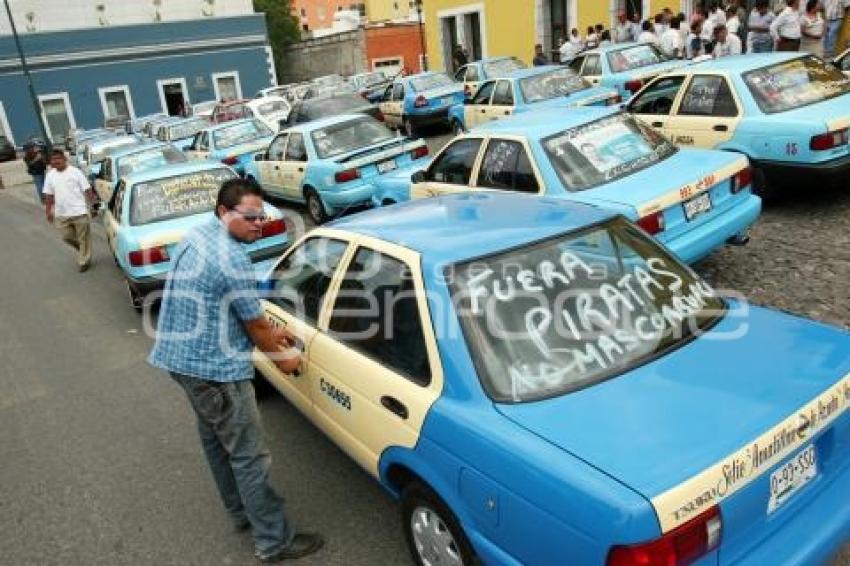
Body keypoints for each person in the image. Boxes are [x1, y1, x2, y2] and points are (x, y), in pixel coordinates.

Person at [148, 177, 324, 563]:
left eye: (262, 216)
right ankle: (273, 541)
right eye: (250, 218)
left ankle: (241, 514)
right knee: (248, 455)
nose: (258, 224)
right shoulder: (233, 259)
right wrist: (288, 359)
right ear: (224, 212)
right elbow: (256, 326)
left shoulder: (196, 235)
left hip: (181, 362)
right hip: (216, 371)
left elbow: (226, 307)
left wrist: (271, 330)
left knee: (216, 441)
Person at [43, 149, 95, 272]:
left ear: (64, 159)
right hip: (61, 214)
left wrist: (92, 206)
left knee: (83, 238)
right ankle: (84, 250)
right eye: (53, 159)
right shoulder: (50, 175)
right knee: (66, 237)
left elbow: (87, 190)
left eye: (58, 158)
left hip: (79, 211)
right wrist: (48, 211)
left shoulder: (75, 172)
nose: (55, 161)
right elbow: (49, 195)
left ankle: (84, 261)